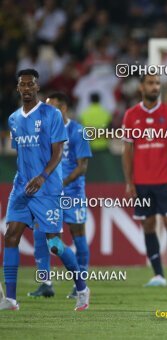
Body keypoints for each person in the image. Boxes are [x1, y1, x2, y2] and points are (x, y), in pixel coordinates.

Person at [1, 69, 89, 311]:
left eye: (31, 84)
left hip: (47, 188)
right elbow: (21, 153)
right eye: (23, 85)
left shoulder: (52, 115)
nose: (27, 88)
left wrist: (42, 176)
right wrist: (26, 178)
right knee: (10, 236)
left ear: (37, 87)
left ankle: (82, 287)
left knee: (54, 245)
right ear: (18, 88)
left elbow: (57, 152)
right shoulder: (13, 119)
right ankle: (10, 299)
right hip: (22, 187)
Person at [122, 74, 167, 287]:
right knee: (148, 225)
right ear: (141, 87)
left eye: (157, 83)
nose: (155, 86)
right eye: (150, 83)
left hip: (166, 181)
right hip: (141, 183)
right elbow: (127, 151)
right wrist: (129, 182)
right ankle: (158, 275)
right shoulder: (131, 115)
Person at [28, 92, 92, 299]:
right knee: (42, 235)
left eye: (51, 108)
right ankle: (46, 282)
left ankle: (79, 284)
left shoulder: (77, 131)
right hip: (49, 194)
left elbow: (82, 167)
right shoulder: (44, 132)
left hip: (72, 193)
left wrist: (60, 183)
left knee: (78, 235)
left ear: (63, 109)